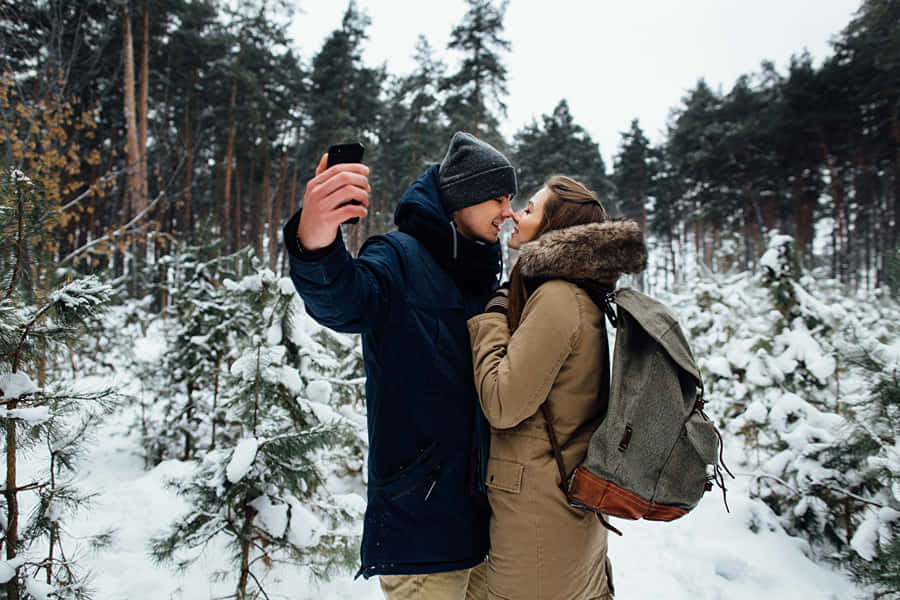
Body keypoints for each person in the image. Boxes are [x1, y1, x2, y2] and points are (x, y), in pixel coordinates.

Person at [282, 131, 518, 599]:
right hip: (422, 527)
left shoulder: (479, 274)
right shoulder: (398, 257)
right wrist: (316, 239)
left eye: (511, 199)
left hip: (482, 528)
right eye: (497, 197)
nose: (508, 212)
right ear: (462, 197)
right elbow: (344, 301)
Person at [467, 175, 647, 600]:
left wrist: (491, 318)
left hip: (540, 528)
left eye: (530, 209)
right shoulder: (575, 294)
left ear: (554, 227)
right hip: (560, 516)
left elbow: (502, 403)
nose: (515, 214)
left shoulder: (558, 298)